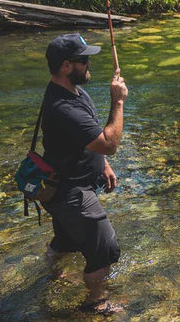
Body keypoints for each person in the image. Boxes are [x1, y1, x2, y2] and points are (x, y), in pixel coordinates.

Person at [41, 33, 128, 315]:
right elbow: (109, 143)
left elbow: (90, 138)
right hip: (71, 192)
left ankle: (52, 275)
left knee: (66, 242)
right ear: (66, 66)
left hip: (64, 186)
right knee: (105, 251)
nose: (89, 64)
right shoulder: (63, 107)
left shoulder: (75, 92)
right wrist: (118, 102)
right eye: (84, 60)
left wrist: (102, 165)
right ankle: (95, 302)